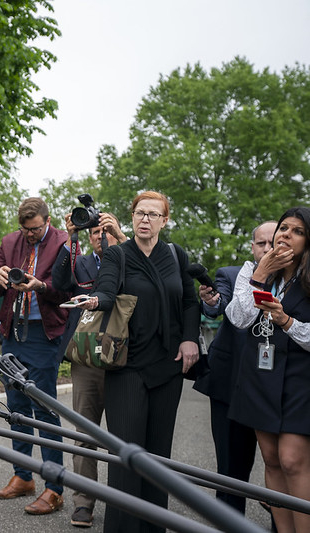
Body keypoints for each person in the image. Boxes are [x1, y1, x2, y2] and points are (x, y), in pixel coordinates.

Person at [74, 191, 200, 533]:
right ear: (132, 218)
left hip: (168, 366)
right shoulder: (117, 254)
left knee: (158, 458)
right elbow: (107, 289)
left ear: (164, 220)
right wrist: (94, 300)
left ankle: (153, 528)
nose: (145, 219)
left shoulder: (176, 255)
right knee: (127, 458)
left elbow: (190, 301)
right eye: (139, 213)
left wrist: (190, 338)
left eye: (152, 214)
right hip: (127, 367)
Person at [226, 207, 310, 533]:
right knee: (272, 459)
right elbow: (238, 318)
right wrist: (260, 274)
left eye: (297, 231)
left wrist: (287, 321)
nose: (286, 234)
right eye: (283, 228)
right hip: (261, 373)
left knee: (292, 459)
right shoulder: (256, 270)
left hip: (301, 377)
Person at [0, 197, 71, 516]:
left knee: (44, 408)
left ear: (47, 221)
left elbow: (69, 290)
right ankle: (23, 476)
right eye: (25, 229)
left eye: (35, 229)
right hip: (12, 332)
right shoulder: (10, 241)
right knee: (17, 408)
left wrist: (41, 286)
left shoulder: (63, 241)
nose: (30, 235)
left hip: (44, 333)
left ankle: (53, 487)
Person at [193, 221, 276, 516]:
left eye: (273, 243)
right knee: (230, 466)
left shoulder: (296, 279)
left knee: (283, 465)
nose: (268, 249)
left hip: (278, 386)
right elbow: (219, 304)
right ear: (252, 247)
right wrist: (212, 300)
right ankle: (229, 521)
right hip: (231, 383)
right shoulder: (230, 274)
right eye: (261, 244)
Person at [52, 213, 126, 528]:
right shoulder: (80, 262)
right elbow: (59, 283)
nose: (100, 236)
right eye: (94, 232)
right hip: (86, 357)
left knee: (124, 436)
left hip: (124, 357)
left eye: (104, 230)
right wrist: (71, 238)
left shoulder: (128, 256)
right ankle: (83, 503)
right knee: (83, 433)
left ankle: (124, 503)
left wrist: (120, 239)